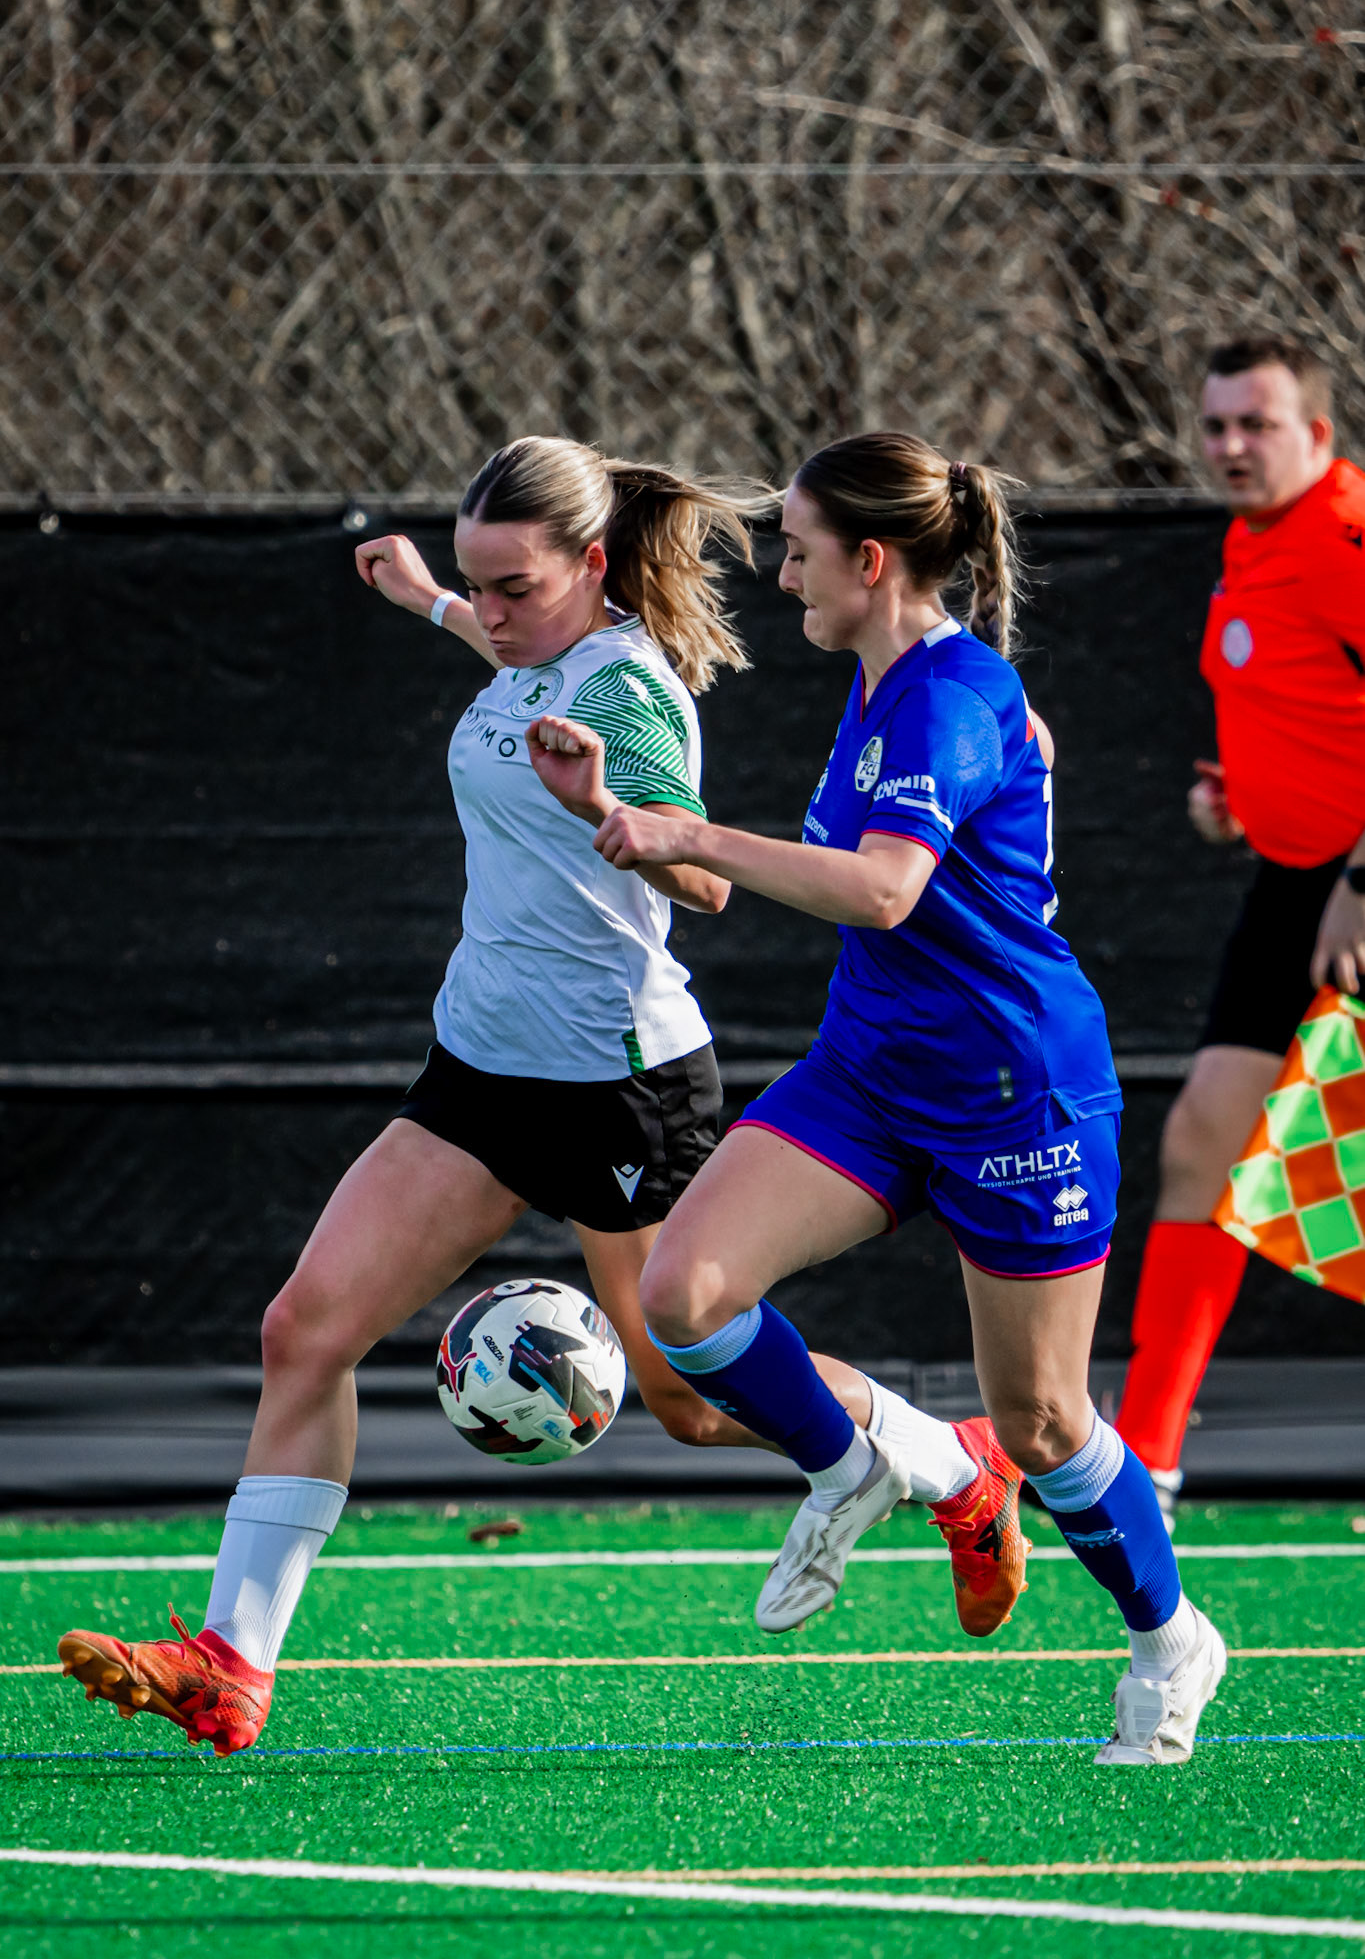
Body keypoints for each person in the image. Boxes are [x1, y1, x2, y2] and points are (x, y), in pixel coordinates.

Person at [55, 435, 928, 1757]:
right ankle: (230, 1670)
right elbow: (515, 657)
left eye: (512, 587)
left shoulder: (629, 695)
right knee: (303, 1330)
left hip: (621, 1092)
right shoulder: (529, 641)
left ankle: (947, 1462)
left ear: (590, 566)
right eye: (481, 585)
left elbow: (701, 882)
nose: (496, 612)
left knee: (693, 1402)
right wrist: (431, 602)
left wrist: (609, 813)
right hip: (479, 1074)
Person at [535, 432, 1226, 1765]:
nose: (780, 571)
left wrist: (684, 830)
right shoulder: (881, 681)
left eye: (797, 550)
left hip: (1012, 1094)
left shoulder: (950, 697)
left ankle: (1168, 1636)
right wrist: (618, 804)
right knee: (684, 1296)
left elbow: (885, 889)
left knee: (1041, 1420)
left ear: (869, 560)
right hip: (870, 1068)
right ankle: (858, 1462)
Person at [1116, 335, 1365, 1528]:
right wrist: (1242, 797)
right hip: (1292, 879)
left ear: (1319, 433)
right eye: (1215, 424)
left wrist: (1359, 882)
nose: (1229, 445)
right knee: (1203, 1139)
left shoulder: (1347, 536)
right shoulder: (1251, 538)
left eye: (1255, 424)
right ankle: (1144, 1461)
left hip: (1349, 889)